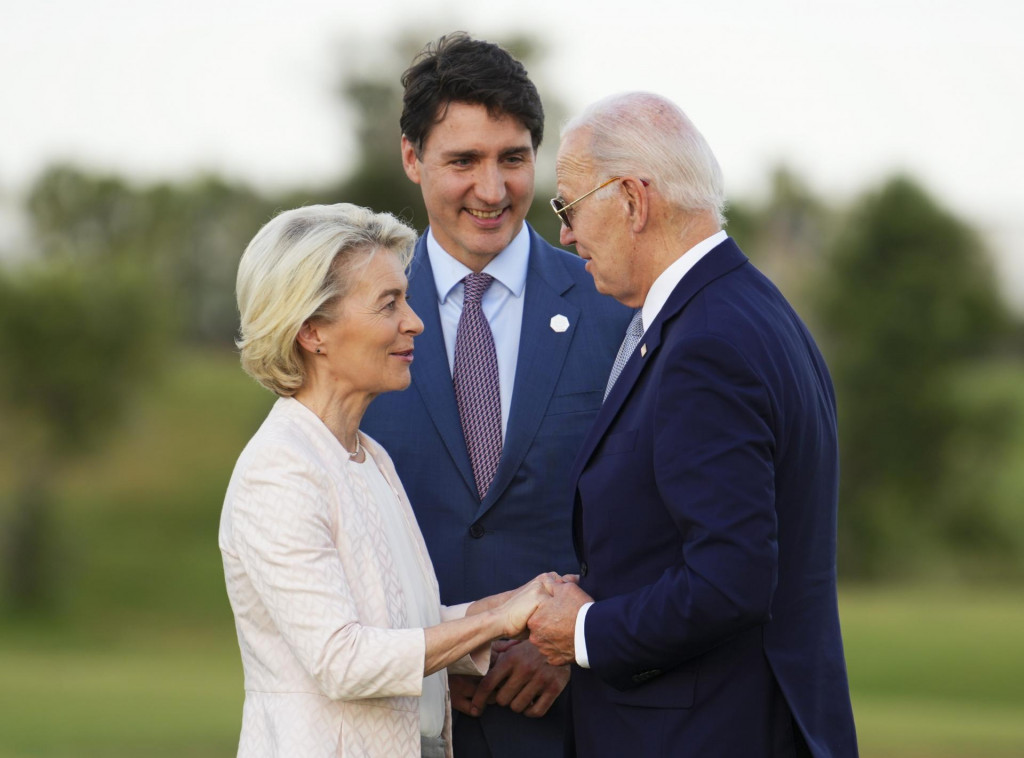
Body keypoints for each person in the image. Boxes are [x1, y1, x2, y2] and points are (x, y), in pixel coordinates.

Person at [526, 92, 859, 757]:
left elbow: (729, 577)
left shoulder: (706, 342)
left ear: (631, 199)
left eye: (568, 205)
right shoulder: (751, 310)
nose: (564, 233)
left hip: (704, 733)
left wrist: (586, 630)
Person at [360, 33, 632, 758]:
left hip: (571, 723)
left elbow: (655, 510)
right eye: (463, 161)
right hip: (398, 722)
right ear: (412, 158)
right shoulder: (351, 322)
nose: (492, 189)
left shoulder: (614, 310)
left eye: (512, 158)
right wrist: (433, 655)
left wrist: (571, 637)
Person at [219, 202, 556, 758]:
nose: (415, 322)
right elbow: (342, 659)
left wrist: (503, 610)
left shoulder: (368, 456)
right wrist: (496, 619)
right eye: (388, 304)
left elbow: (401, 625)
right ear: (312, 331)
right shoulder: (279, 472)